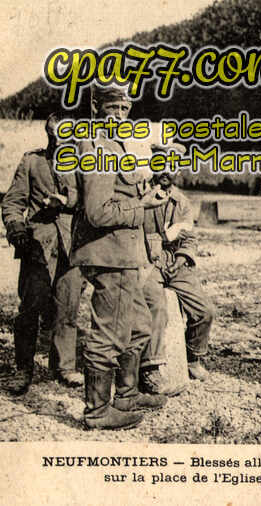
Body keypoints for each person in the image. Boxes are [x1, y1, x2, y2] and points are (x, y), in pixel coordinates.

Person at [71, 85, 169, 429]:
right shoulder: (97, 146)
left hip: (125, 254)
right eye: (113, 107)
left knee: (139, 327)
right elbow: (97, 212)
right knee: (109, 334)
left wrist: (145, 189)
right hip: (109, 253)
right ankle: (98, 412)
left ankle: (126, 397)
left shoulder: (114, 146)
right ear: (95, 106)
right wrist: (141, 205)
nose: (120, 114)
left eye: (125, 108)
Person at [1, 113, 83, 394]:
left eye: (65, 136)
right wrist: (18, 232)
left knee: (68, 307)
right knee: (29, 309)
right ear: (47, 135)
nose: (58, 140)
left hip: (72, 247)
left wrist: (68, 200)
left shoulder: (85, 166)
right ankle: (23, 369)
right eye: (53, 134)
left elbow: (91, 200)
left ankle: (64, 366)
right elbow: (12, 203)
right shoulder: (31, 162)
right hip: (37, 247)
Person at [142, 157, 215, 383]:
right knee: (157, 308)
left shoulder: (181, 201)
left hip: (176, 262)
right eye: (160, 164)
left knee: (205, 310)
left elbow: (189, 237)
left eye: (171, 166)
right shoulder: (141, 197)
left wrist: (182, 257)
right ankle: (150, 367)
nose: (165, 171)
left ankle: (193, 356)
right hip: (147, 261)